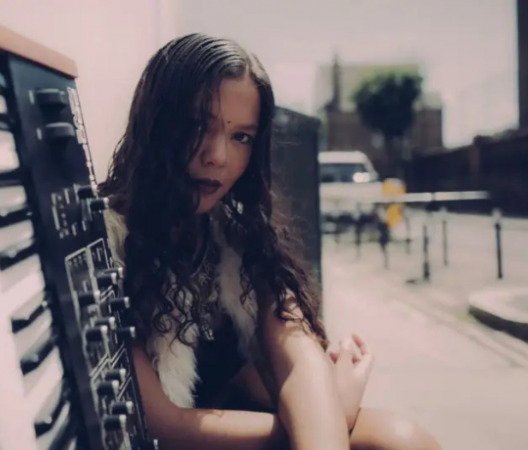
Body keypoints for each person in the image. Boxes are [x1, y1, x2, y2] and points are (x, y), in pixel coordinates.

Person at [97, 33, 441, 450]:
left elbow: (299, 359)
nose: (218, 155)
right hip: (177, 440)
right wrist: (334, 410)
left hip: (242, 418)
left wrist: (320, 410)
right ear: (155, 123)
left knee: (404, 441)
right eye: (198, 126)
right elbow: (160, 425)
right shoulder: (106, 242)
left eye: (241, 137)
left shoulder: (240, 235)